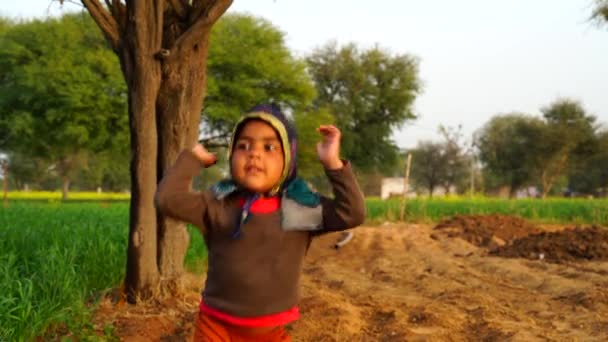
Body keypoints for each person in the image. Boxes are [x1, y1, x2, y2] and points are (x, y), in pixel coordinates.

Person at [155, 104, 365, 341]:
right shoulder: (217, 202)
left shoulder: (299, 207)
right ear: (232, 155)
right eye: (243, 146)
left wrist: (332, 163)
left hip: (270, 331)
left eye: (269, 147)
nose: (254, 154)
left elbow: (352, 213)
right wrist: (192, 159)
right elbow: (167, 200)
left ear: (288, 159)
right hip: (216, 325)